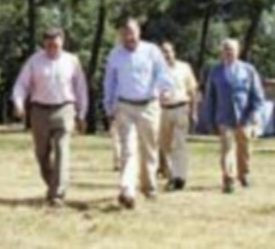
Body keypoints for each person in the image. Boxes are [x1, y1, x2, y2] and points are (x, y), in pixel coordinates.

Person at [12, 27, 88, 206]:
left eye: (56, 43)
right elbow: (21, 85)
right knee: (42, 154)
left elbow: (81, 89)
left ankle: (57, 194)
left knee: (62, 150)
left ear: (62, 41)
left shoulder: (72, 61)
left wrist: (82, 113)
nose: (53, 47)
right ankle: (53, 184)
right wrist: (18, 103)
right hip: (39, 110)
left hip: (65, 108)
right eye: (49, 43)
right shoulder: (34, 61)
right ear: (44, 43)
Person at [103, 18, 173, 210]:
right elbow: (109, 83)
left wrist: (164, 89)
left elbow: (163, 74)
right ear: (120, 36)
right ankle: (128, 190)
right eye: (125, 34)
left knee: (149, 149)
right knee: (128, 149)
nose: (129, 37)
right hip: (125, 106)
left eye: (132, 33)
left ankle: (149, 187)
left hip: (149, 105)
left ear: (139, 33)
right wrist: (109, 107)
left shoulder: (152, 51)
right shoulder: (115, 55)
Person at [204, 38, 265, 194]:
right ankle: (229, 179)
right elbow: (210, 97)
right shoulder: (215, 71)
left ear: (237, 51)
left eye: (231, 49)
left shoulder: (248, 70)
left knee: (244, 149)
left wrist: (255, 114)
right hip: (224, 118)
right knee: (227, 149)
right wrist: (209, 119)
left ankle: (244, 174)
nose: (228, 52)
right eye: (226, 49)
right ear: (221, 52)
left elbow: (257, 95)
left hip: (244, 118)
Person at [158, 41, 198, 191]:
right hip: (162, 110)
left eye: (168, 52)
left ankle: (179, 176)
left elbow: (193, 90)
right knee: (165, 145)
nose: (166, 55)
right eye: (162, 52)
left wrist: (194, 111)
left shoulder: (184, 68)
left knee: (179, 144)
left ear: (173, 52)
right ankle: (170, 173)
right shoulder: (156, 70)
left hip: (181, 108)